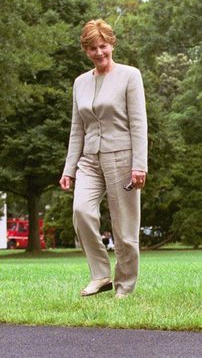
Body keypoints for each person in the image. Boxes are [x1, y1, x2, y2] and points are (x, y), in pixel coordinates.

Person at [60, 19, 148, 299]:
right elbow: (77, 129)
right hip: (89, 159)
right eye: (93, 48)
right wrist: (69, 169)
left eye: (104, 46)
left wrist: (139, 165)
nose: (99, 52)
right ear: (85, 50)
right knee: (81, 212)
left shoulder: (130, 75)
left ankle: (125, 286)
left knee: (124, 229)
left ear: (112, 45)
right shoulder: (80, 83)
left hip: (122, 158)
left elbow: (138, 124)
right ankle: (100, 275)